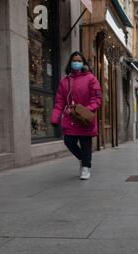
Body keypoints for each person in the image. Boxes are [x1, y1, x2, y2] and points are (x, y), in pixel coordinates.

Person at [50, 52, 102, 180]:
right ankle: (82, 158)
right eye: (74, 60)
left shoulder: (91, 79)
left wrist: (84, 110)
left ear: (83, 63)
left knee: (85, 144)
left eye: (79, 60)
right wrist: (55, 117)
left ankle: (86, 167)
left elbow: (96, 99)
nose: (76, 63)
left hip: (84, 118)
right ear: (70, 63)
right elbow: (59, 101)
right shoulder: (64, 81)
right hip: (70, 118)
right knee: (69, 142)